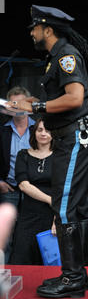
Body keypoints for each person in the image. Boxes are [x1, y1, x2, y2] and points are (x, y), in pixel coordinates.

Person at [8, 5, 88, 299]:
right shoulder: (56, 57)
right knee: (74, 207)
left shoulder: (67, 56)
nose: (32, 33)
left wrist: (35, 107)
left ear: (47, 30)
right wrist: (33, 101)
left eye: (34, 28)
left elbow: (75, 98)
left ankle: (73, 278)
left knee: (65, 207)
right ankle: (76, 276)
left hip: (74, 139)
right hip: (69, 139)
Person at [9, 118, 54, 265]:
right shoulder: (23, 155)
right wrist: (49, 199)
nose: (43, 134)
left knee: (50, 261)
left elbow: (63, 188)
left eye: (47, 130)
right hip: (28, 214)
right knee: (20, 258)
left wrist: (57, 218)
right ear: (34, 132)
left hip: (51, 215)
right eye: (40, 130)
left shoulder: (60, 157)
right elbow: (23, 185)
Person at [0, 86, 35, 261]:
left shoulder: (40, 129)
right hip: (10, 189)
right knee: (5, 236)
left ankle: (32, 273)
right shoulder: (2, 130)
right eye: (13, 104)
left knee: (31, 233)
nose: (17, 108)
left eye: (20, 103)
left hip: (34, 189)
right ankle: (3, 274)